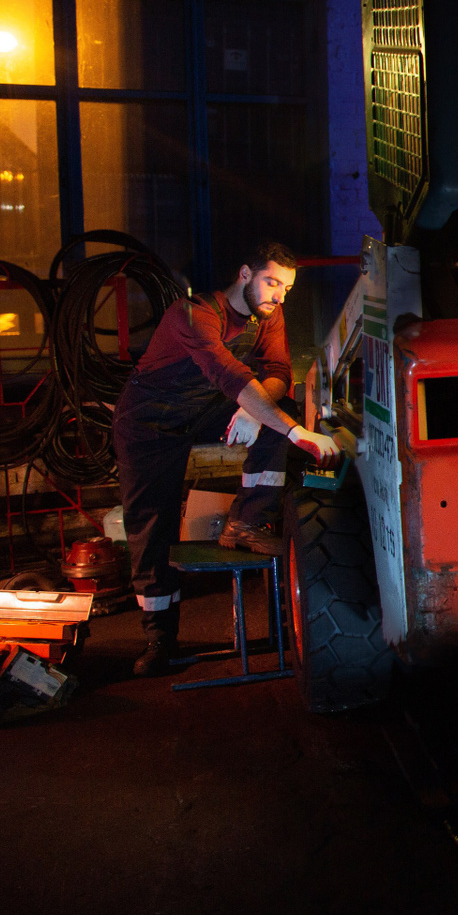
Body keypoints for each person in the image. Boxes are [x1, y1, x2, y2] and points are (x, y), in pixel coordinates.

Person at [113, 239, 339, 677]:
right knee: (153, 526)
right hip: (148, 422)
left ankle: (247, 522)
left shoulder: (267, 317)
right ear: (245, 275)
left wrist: (252, 413)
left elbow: (278, 373)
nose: (279, 296)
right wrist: (296, 433)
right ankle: (159, 639)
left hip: (203, 409)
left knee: (276, 409)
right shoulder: (193, 314)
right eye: (272, 282)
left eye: (287, 288)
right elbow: (228, 373)